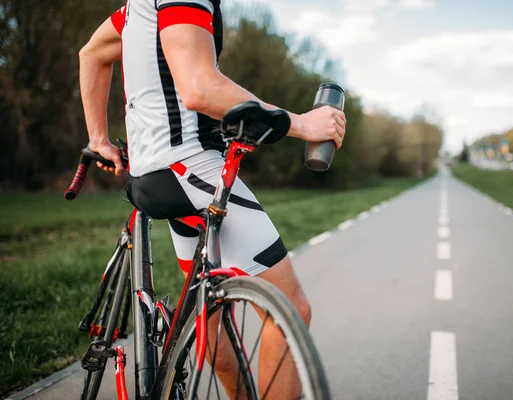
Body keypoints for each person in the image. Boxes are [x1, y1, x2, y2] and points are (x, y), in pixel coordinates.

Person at [78, 0, 346, 397]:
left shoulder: (135, 9)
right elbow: (200, 89)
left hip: (158, 178)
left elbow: (92, 53)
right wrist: (301, 123)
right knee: (289, 308)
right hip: (191, 172)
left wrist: (99, 139)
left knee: (209, 314)